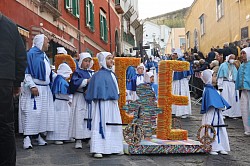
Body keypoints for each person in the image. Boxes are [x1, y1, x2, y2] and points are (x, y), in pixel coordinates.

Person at [19, 34, 55, 149]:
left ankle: (38, 135)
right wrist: (32, 85)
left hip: (45, 89)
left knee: (42, 114)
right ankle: (27, 138)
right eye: (47, 42)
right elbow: (26, 72)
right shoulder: (31, 54)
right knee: (31, 113)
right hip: (34, 88)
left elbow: (47, 72)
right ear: (40, 42)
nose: (48, 44)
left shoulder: (44, 56)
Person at [0, 12, 27, 165]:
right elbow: (21, 57)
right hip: (4, 81)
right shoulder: (11, 26)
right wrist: (17, 82)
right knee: (5, 125)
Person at [85, 52, 123, 158]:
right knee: (101, 124)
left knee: (113, 123)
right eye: (109, 58)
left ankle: (115, 147)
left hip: (112, 104)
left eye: (112, 58)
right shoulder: (97, 75)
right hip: (103, 104)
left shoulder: (112, 74)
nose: (112, 60)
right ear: (103, 61)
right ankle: (99, 148)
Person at [200, 69, 231, 155]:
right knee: (211, 127)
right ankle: (211, 146)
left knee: (219, 128)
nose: (215, 78)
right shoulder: (208, 90)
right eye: (213, 76)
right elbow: (212, 102)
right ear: (209, 78)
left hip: (217, 113)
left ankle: (220, 145)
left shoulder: (212, 89)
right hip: (211, 113)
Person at [69, 52, 94, 149]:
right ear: (81, 62)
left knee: (90, 117)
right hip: (80, 98)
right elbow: (74, 83)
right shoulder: (77, 72)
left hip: (89, 99)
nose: (87, 63)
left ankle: (89, 137)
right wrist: (86, 81)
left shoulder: (92, 72)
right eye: (85, 61)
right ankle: (78, 139)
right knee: (79, 118)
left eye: (89, 61)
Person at [46, 63, 73, 145]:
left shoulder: (59, 79)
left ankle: (65, 137)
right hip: (61, 103)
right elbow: (63, 93)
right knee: (59, 120)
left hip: (62, 103)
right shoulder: (61, 80)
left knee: (64, 120)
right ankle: (58, 137)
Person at [217, 54, 241, 118]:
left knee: (233, 99)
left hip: (232, 84)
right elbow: (220, 76)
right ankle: (224, 113)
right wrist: (220, 86)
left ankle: (233, 113)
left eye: (233, 58)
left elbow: (236, 76)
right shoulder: (223, 65)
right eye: (231, 58)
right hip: (225, 84)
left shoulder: (234, 66)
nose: (232, 59)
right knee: (225, 98)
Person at [171, 48, 192, 119]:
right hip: (179, 81)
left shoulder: (181, 62)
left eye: (174, 54)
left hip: (181, 81)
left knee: (181, 94)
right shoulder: (178, 61)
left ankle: (183, 112)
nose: (173, 56)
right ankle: (176, 111)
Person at [235, 47, 250, 136]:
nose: (242, 55)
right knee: (244, 109)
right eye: (242, 53)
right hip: (244, 90)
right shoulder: (241, 65)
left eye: (244, 53)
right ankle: (247, 128)